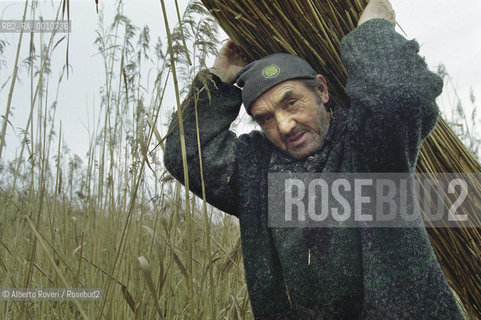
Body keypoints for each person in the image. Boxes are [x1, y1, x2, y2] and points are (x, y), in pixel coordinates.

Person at [164, 0, 464, 318]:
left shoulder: (367, 144)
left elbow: (400, 98)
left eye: (291, 102)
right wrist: (219, 77)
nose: (283, 125)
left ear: (321, 90)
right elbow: (187, 153)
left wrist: (374, 30)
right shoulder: (257, 170)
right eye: (265, 118)